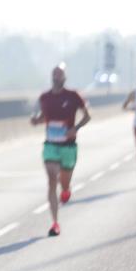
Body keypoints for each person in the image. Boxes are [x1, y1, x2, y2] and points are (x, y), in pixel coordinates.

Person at [30, 64, 91, 236]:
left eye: (60, 75)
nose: (57, 78)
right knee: (51, 180)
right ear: (51, 77)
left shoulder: (73, 96)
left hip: (68, 147)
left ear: (65, 78)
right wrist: (36, 121)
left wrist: (76, 128)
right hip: (50, 145)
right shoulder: (45, 97)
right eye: (54, 75)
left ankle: (65, 189)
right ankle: (55, 223)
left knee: (63, 182)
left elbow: (87, 116)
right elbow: (44, 118)